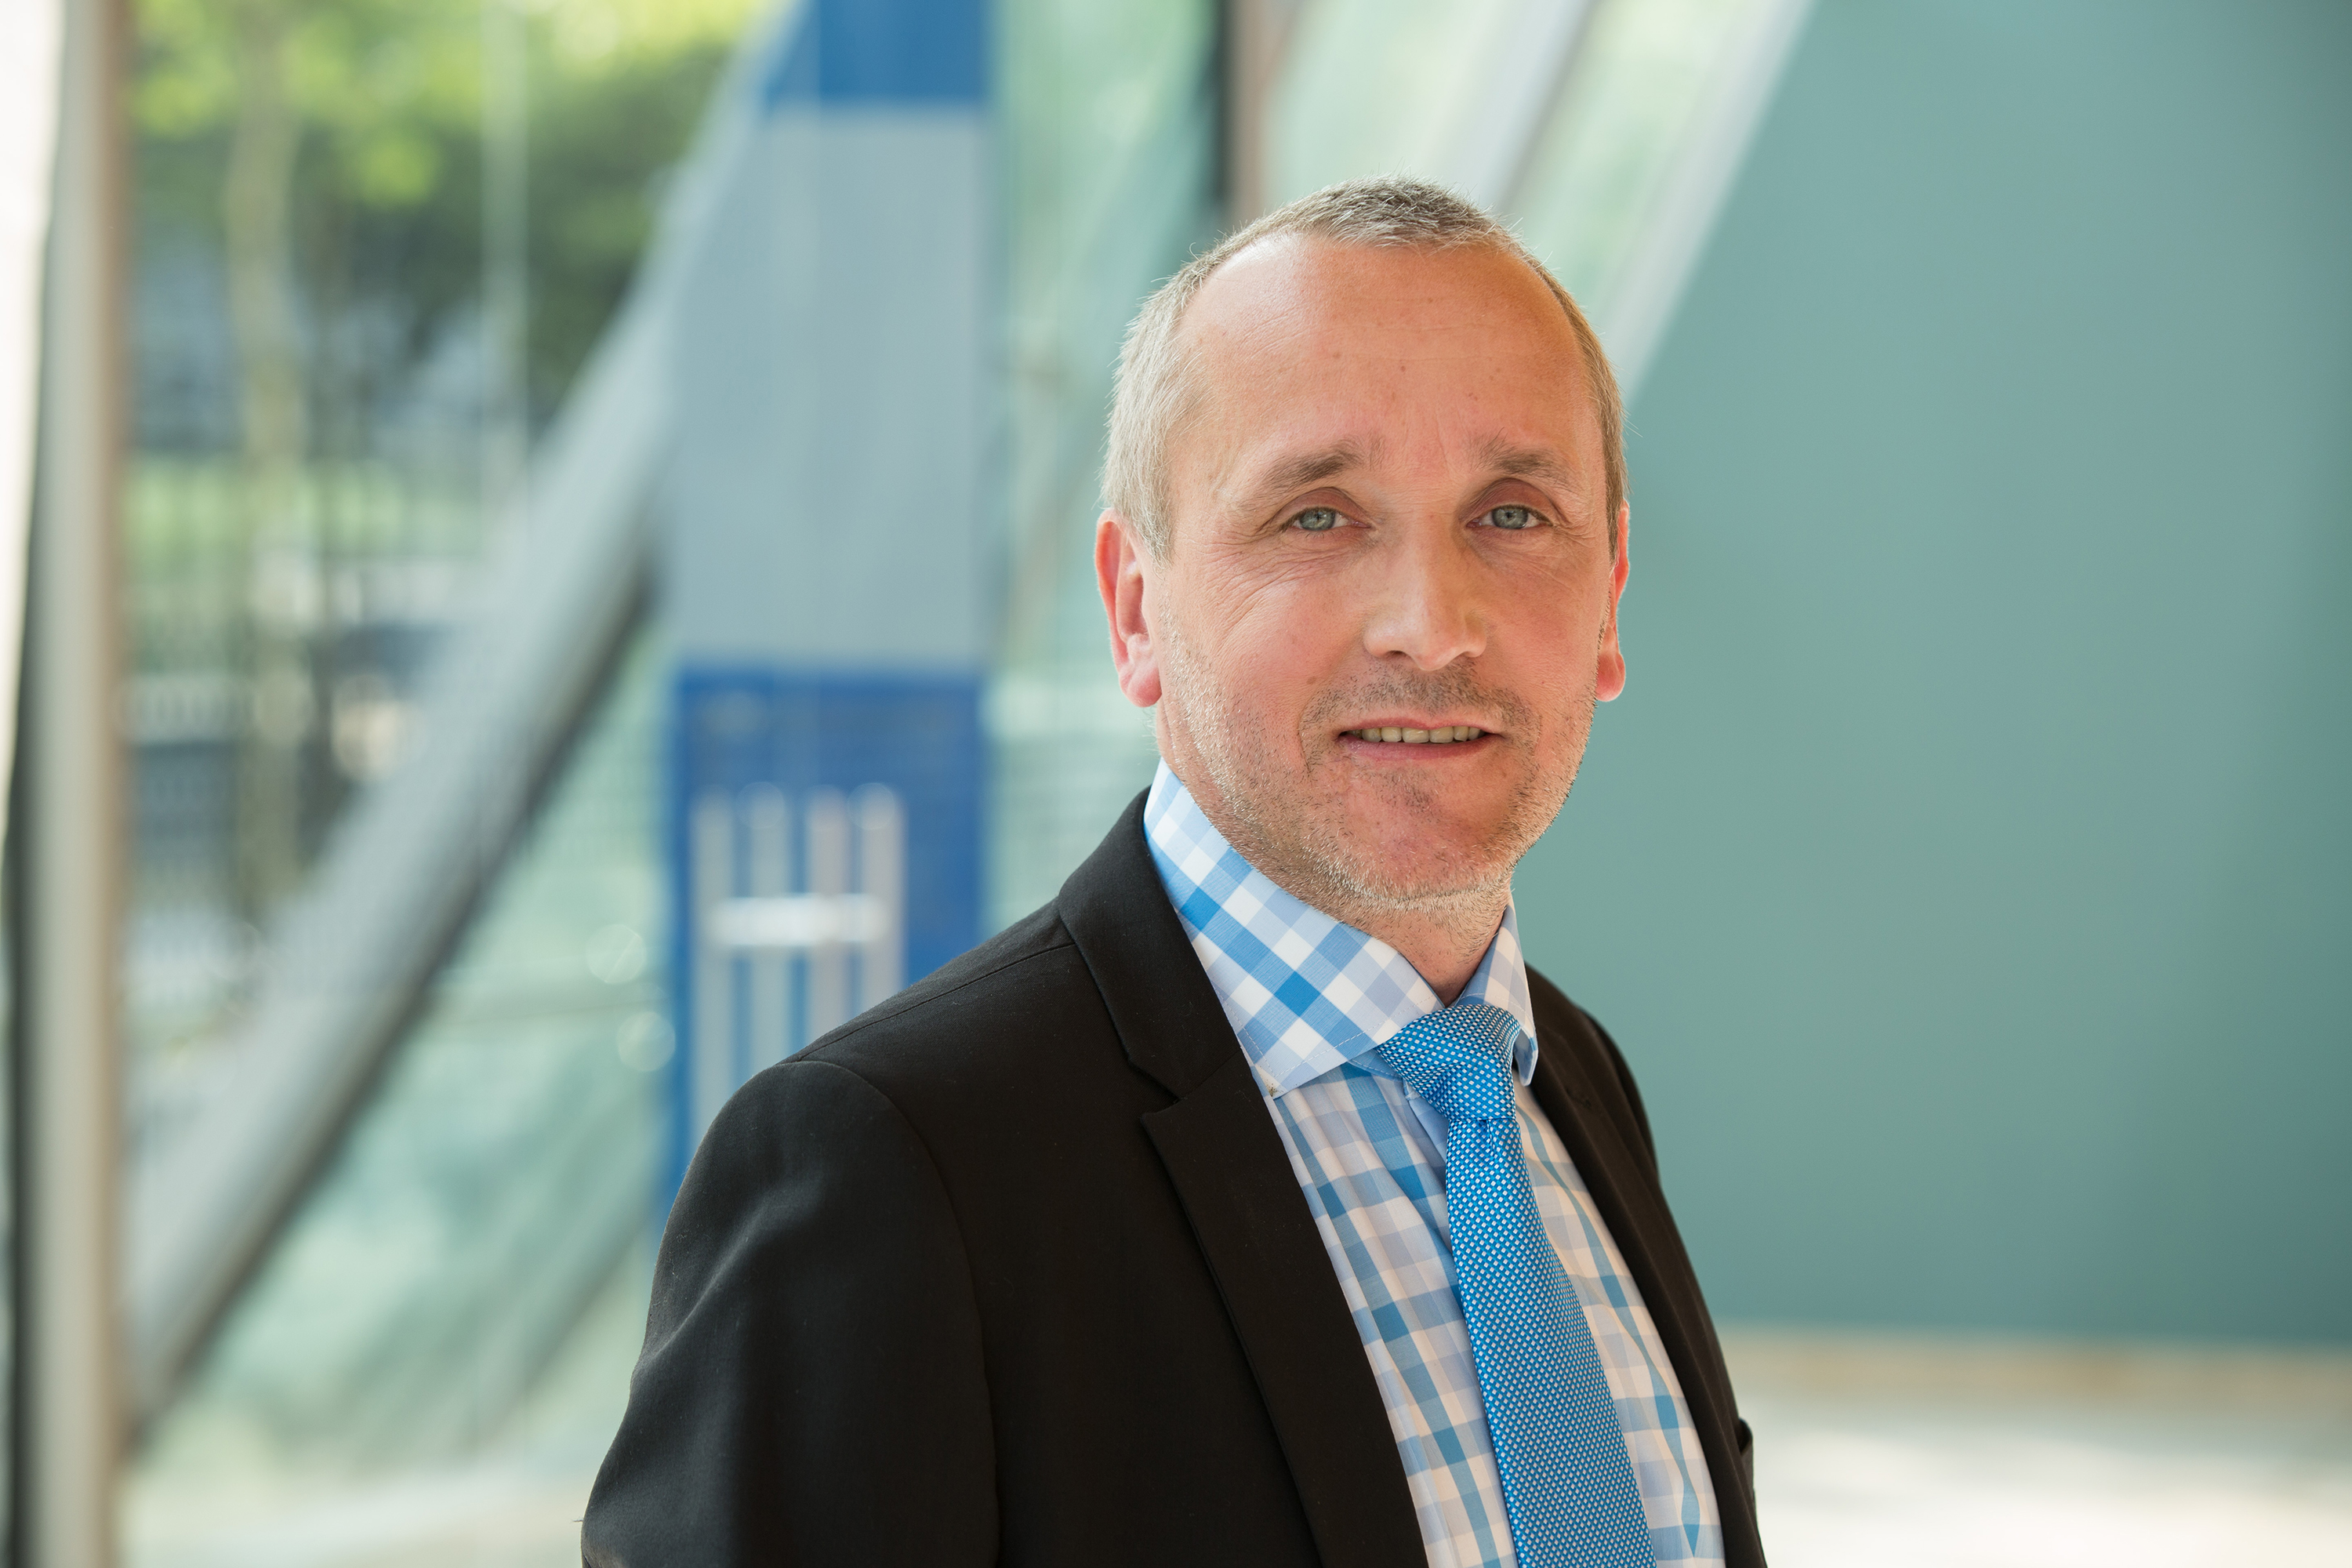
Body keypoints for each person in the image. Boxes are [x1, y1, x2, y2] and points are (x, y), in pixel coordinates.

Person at [583, 176, 1762, 1568]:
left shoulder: (1566, 1079)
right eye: (1317, 516)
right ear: (1136, 609)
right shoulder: (892, 1172)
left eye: (1512, 515)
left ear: (1608, 600)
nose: (1431, 626)